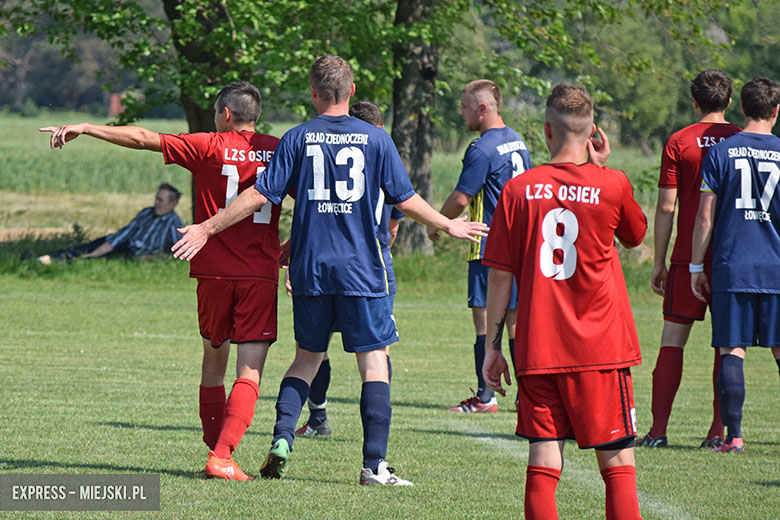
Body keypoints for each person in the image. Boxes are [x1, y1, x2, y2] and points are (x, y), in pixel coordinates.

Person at [171, 55, 488, 486]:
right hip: (362, 269)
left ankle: (282, 438)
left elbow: (261, 194)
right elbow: (405, 198)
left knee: (306, 358)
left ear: (313, 93)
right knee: (373, 363)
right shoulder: (376, 139)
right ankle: (374, 466)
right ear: (351, 90)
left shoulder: (297, 137)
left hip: (311, 270)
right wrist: (447, 223)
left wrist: (208, 227)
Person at [39, 82, 281, 481]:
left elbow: (142, 137)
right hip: (258, 273)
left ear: (225, 114)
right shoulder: (278, 150)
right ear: (255, 115)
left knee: (213, 366)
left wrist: (88, 127)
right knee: (249, 369)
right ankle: (222, 455)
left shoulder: (208, 145)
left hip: (212, 271)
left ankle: (216, 451)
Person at [482, 84, 646, 519]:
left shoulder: (518, 189)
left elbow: (499, 276)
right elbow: (635, 237)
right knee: (617, 460)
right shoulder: (612, 183)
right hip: (601, 349)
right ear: (592, 132)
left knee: (543, 459)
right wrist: (602, 169)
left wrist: (493, 347)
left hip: (539, 347)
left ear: (547, 131)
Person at [640, 69, 741, 449]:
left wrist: (659, 261)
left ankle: (657, 431)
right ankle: (717, 433)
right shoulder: (741, 139)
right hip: (730, 257)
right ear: (728, 102)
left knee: (672, 340)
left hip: (687, 257)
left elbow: (667, 207)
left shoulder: (679, 141)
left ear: (694, 102)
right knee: (726, 345)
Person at [295, 100, 403, 438]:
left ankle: (317, 415)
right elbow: (394, 225)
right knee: (377, 351)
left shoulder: (326, 150)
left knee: (314, 348)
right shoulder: (383, 152)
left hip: (323, 261)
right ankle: (378, 431)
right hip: (373, 263)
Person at [430, 79, 532, 413]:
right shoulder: (517, 141)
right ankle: (527, 395)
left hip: (487, 244)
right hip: (520, 245)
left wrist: (437, 222)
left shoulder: (481, 148)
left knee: (485, 323)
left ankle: (485, 397)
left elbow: (461, 199)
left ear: (482, 108)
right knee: (515, 322)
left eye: (465, 106)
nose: (461, 113)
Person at [691, 76, 780, 454]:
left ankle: (735, 437)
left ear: (741, 108)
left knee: (732, 349)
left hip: (734, 266)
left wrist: (696, 266)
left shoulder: (721, 152)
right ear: (776, 111)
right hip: (776, 268)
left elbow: (704, 218)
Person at [35, 183, 183, 264]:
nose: (156, 203)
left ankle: (57, 262)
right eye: (156, 198)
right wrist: (99, 251)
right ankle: (47, 259)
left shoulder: (174, 223)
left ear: (173, 203)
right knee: (84, 249)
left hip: (131, 253)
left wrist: (153, 258)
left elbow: (178, 252)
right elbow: (125, 233)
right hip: (117, 242)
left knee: (91, 259)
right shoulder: (146, 213)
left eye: (160, 200)